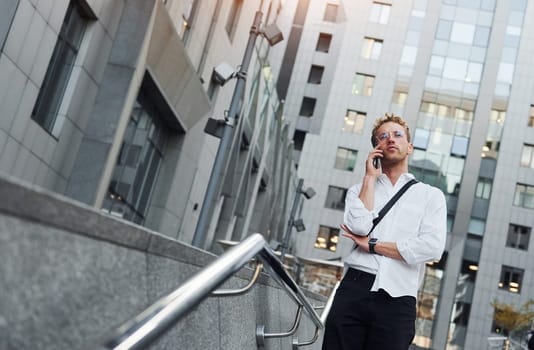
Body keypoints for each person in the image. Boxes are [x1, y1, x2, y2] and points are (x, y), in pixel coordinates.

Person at [322, 113, 447, 350]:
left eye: (398, 135)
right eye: (383, 136)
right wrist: (370, 177)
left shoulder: (430, 196)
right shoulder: (358, 190)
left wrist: (372, 245)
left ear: (409, 146)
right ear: (376, 148)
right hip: (355, 286)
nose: (391, 139)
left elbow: (432, 247)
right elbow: (358, 227)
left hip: (399, 296)